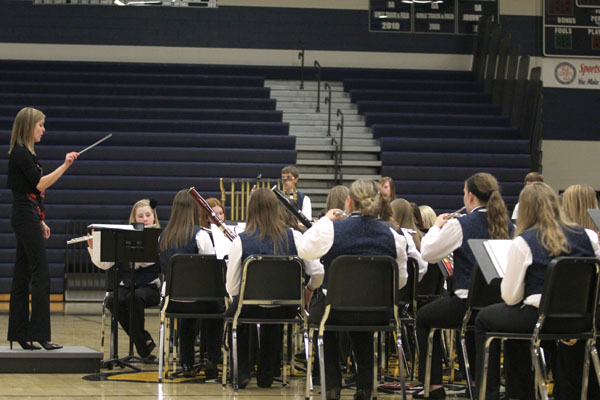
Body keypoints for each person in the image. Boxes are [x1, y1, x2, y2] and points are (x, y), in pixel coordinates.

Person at [474, 182, 600, 400]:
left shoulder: (525, 241)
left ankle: (495, 393)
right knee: (517, 322)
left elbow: (511, 297)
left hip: (541, 318)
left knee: (487, 319)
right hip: (583, 319)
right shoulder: (588, 236)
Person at [297, 179, 409, 400]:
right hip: (378, 312)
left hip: (336, 310)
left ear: (349, 202)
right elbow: (400, 281)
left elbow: (303, 250)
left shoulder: (330, 230)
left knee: (323, 318)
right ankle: (365, 386)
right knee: (362, 321)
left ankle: (331, 385)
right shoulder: (394, 237)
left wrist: (323, 221)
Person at [414, 172, 513, 399]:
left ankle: (434, 386)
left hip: (466, 303)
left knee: (423, 318)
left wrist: (437, 226)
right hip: (499, 303)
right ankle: (481, 384)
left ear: (469, 197)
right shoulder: (508, 224)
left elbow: (428, 254)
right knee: (481, 321)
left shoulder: (460, 225)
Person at [226, 188, 324, 388]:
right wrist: (310, 289)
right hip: (286, 306)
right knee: (275, 315)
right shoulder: (295, 237)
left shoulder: (240, 241)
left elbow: (233, 288)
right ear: (276, 209)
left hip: (250, 306)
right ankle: (267, 374)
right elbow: (318, 272)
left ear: (250, 210)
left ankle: (242, 370)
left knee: (236, 313)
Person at [7, 107, 78, 351]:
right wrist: (65, 165)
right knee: (41, 275)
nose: (43, 130)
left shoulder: (27, 154)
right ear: (28, 127)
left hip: (27, 215)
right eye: (40, 125)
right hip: (23, 215)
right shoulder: (20, 154)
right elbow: (38, 184)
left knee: (22, 274)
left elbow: (31, 193)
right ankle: (40, 334)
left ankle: (20, 333)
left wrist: (40, 220)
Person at [158, 189, 222, 378]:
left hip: (172, 300)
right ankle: (212, 358)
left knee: (186, 314)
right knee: (217, 309)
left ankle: (186, 362)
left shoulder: (163, 236)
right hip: (200, 299)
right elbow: (212, 266)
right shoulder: (201, 234)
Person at [88, 199, 161, 361]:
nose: (144, 219)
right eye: (140, 216)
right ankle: (143, 340)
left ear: (154, 218)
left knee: (134, 298)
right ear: (134, 220)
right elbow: (105, 264)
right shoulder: (124, 236)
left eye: (148, 215)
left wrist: (136, 244)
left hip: (149, 287)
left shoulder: (159, 237)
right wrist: (93, 247)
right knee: (112, 300)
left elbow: (147, 261)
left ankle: (142, 349)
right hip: (127, 285)